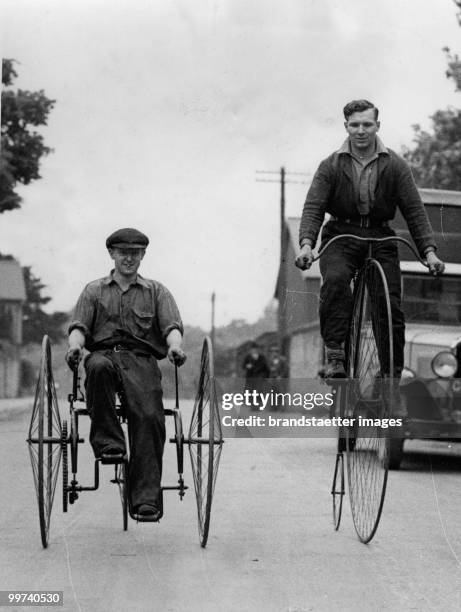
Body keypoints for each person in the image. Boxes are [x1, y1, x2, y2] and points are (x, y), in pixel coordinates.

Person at [295, 99, 445, 413]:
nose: (361, 131)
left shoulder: (395, 166)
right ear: (346, 127)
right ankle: (336, 354)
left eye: (367, 124)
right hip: (342, 236)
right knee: (335, 282)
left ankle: (388, 379)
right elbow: (313, 208)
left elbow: (415, 212)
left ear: (378, 125)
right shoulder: (331, 165)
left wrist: (429, 252)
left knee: (389, 306)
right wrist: (307, 244)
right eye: (354, 125)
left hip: (380, 236)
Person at [65, 228, 186, 521]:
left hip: (141, 360)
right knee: (97, 367)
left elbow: (172, 327)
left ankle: (145, 500)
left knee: (148, 416)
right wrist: (76, 347)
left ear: (143, 255)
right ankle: (109, 443)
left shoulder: (156, 291)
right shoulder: (94, 290)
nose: (129, 259)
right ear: (112, 254)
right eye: (123, 253)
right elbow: (80, 326)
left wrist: (175, 348)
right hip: (103, 355)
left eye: (135, 253)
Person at [242, 342, 270, 410]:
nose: (254, 351)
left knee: (258, 392)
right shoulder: (248, 357)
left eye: (255, 349)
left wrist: (265, 377)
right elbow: (243, 366)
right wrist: (247, 366)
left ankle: (258, 406)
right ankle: (253, 406)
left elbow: (266, 368)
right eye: (252, 349)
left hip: (259, 377)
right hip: (250, 377)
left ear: (258, 350)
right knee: (251, 392)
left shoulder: (262, 357)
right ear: (251, 350)